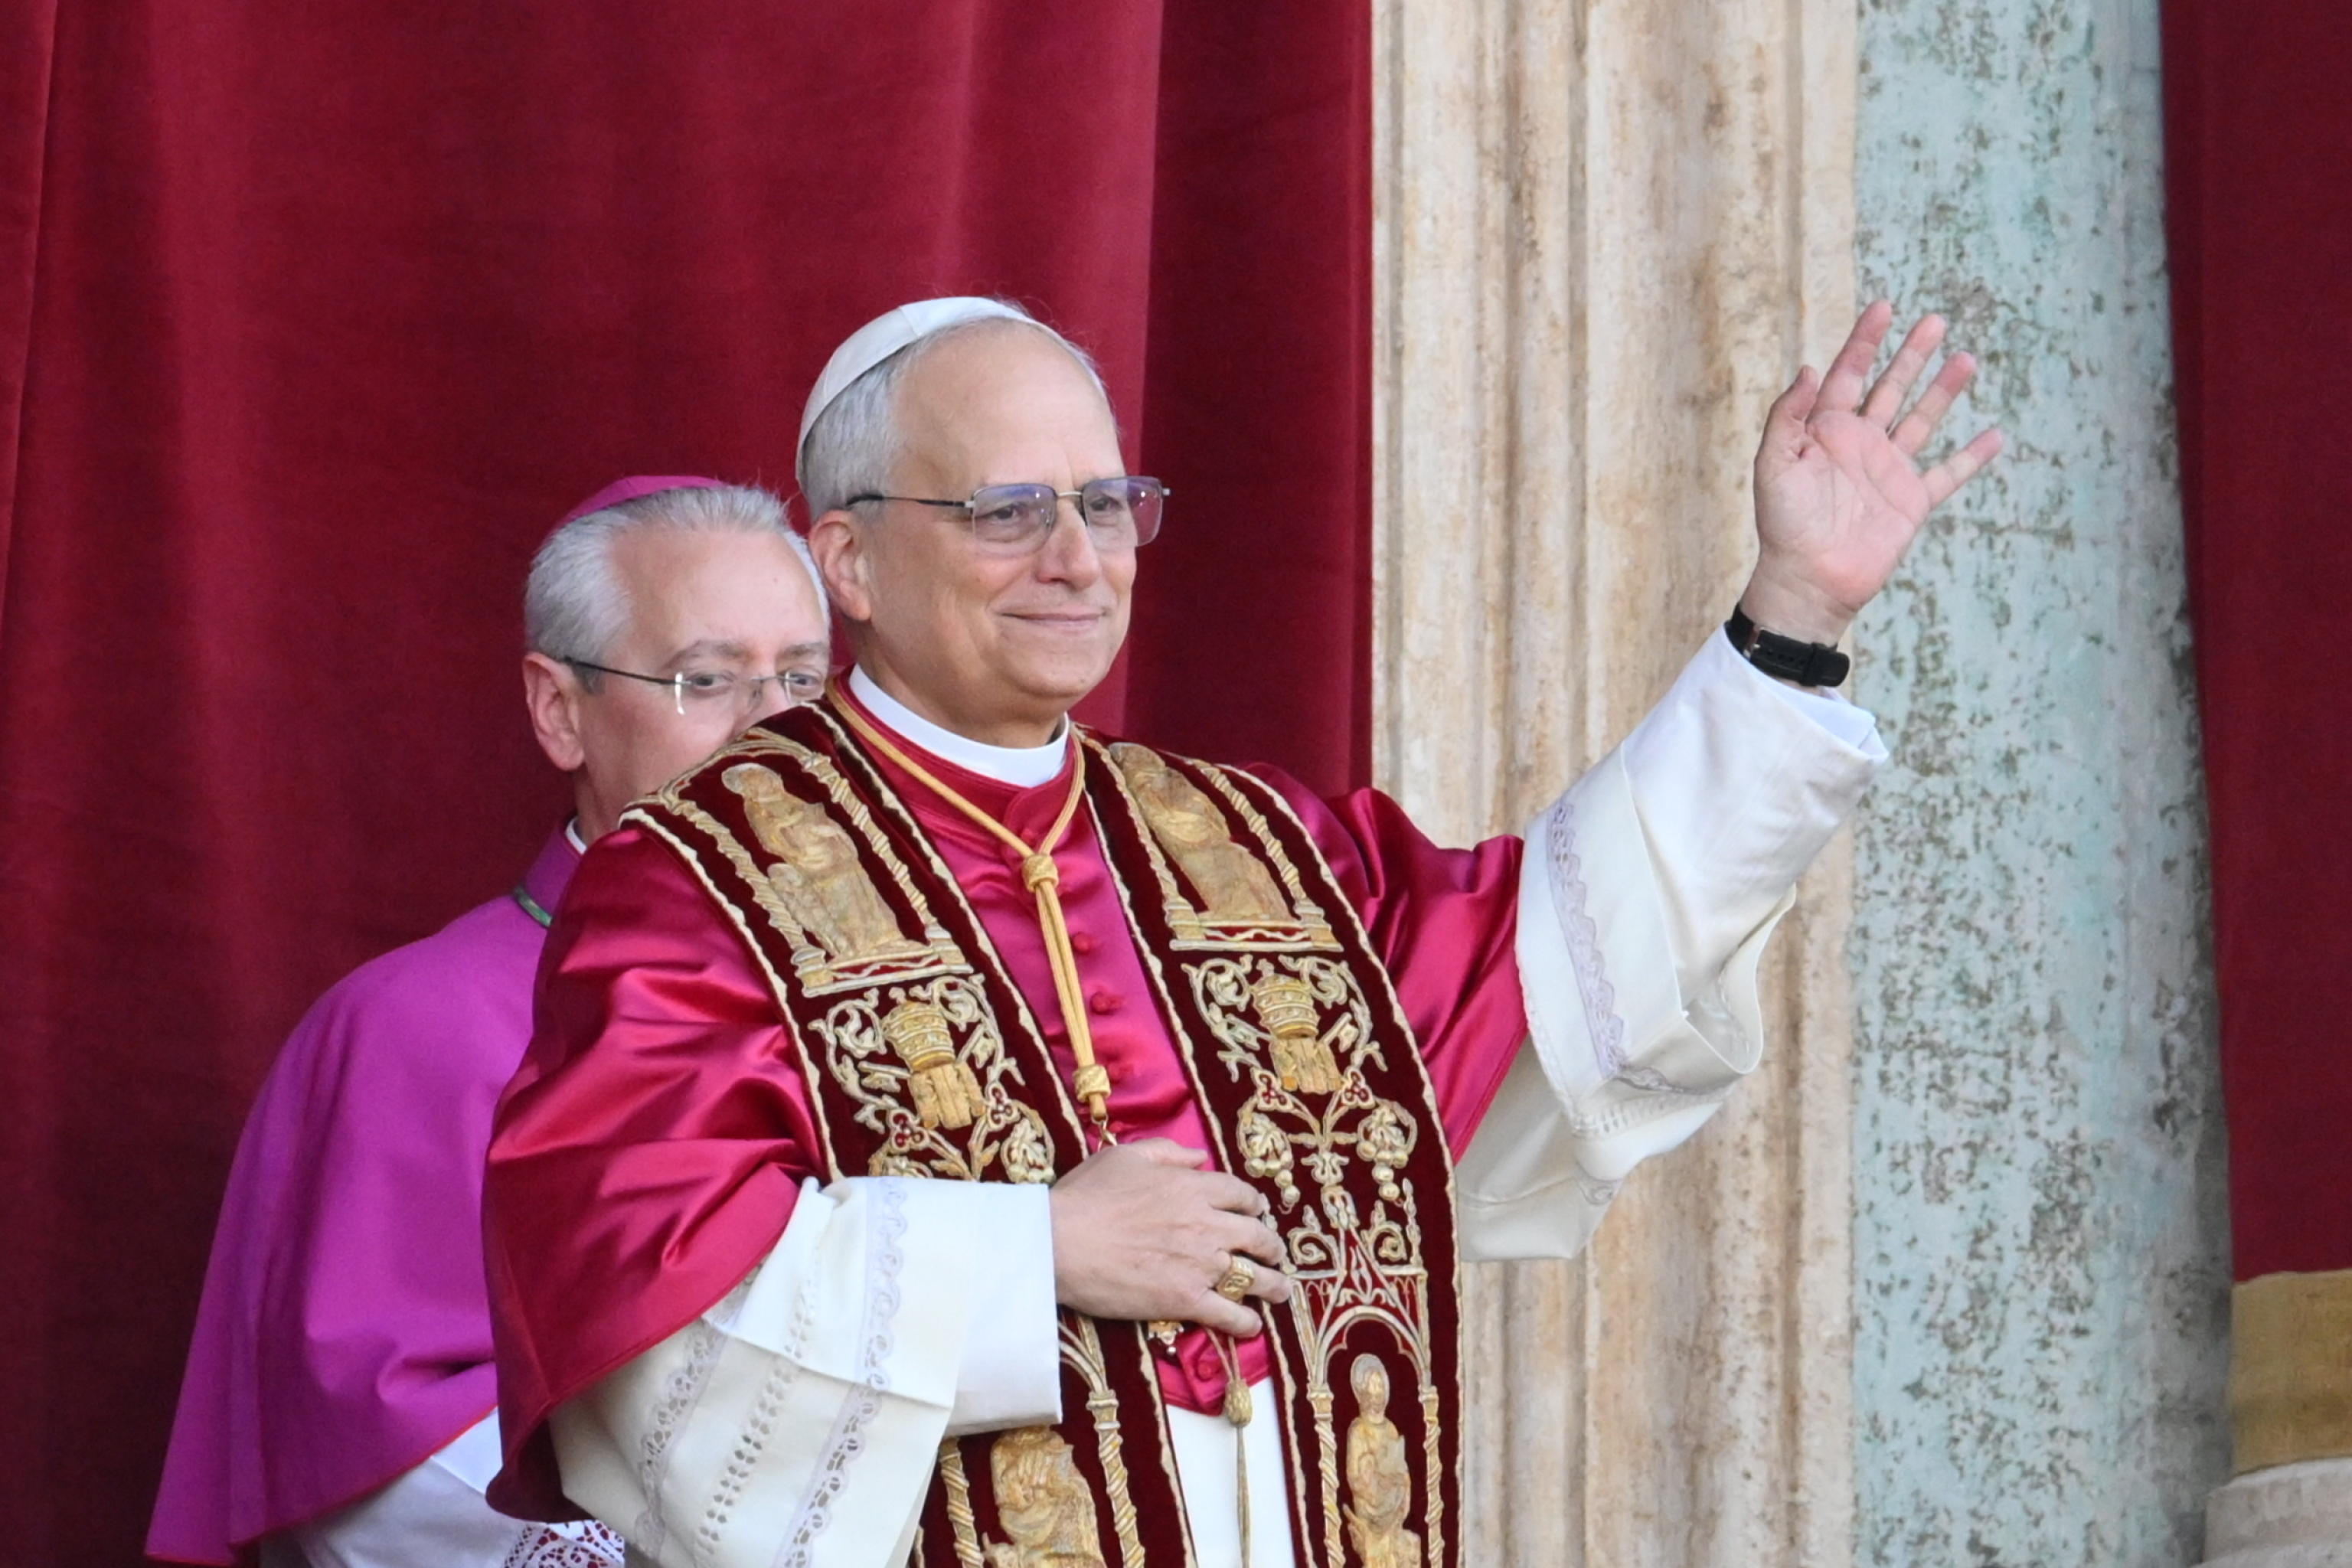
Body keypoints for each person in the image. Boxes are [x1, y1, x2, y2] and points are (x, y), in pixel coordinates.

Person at [480, 297, 2001, 1568]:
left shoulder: (1257, 851)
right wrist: (1031, 1253)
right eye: (1009, 509)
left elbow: (1577, 952)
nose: (1077, 555)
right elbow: (644, 1317)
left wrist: (1790, 613)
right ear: (853, 560)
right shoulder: (701, 877)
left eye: (1107, 503)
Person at [146, 478, 833, 1568]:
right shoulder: (406, 1030)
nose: (776, 728)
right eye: (708, 680)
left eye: (802, 677)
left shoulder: (908, 1012)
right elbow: (377, 1459)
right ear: (560, 710)